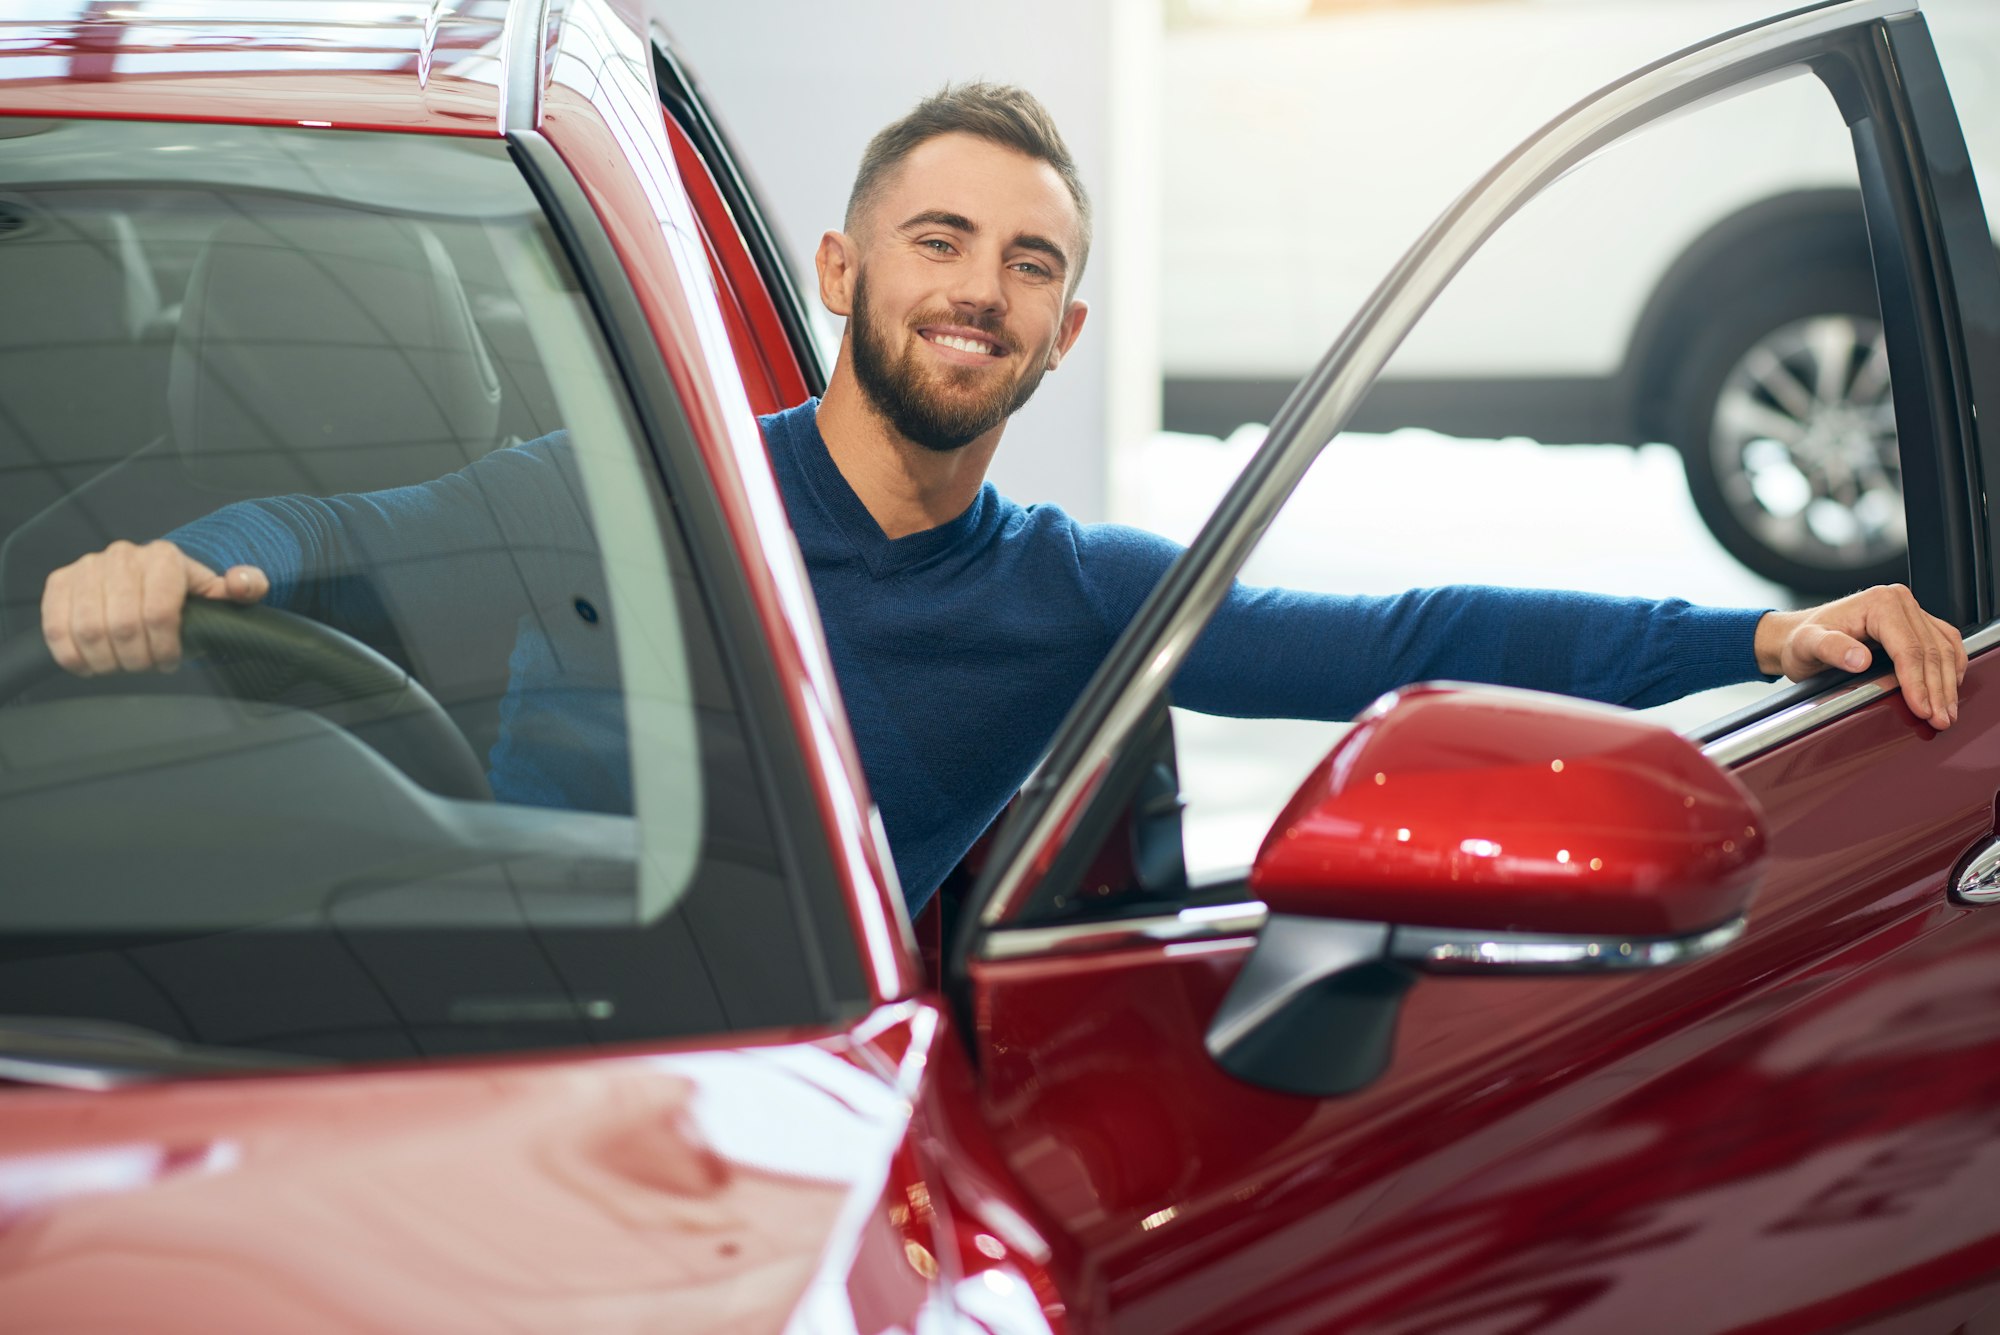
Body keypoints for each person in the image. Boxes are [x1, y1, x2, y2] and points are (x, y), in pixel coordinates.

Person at [39, 84, 1967, 913]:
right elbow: (344, 534)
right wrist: (187, 564)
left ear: (1060, 335)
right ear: (840, 269)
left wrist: (1766, 627)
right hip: (511, 1004)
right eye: (940, 240)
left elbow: (1414, 639)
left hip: (811, 1075)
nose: (981, 286)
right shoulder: (639, 498)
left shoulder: (1071, 599)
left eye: (1030, 267)